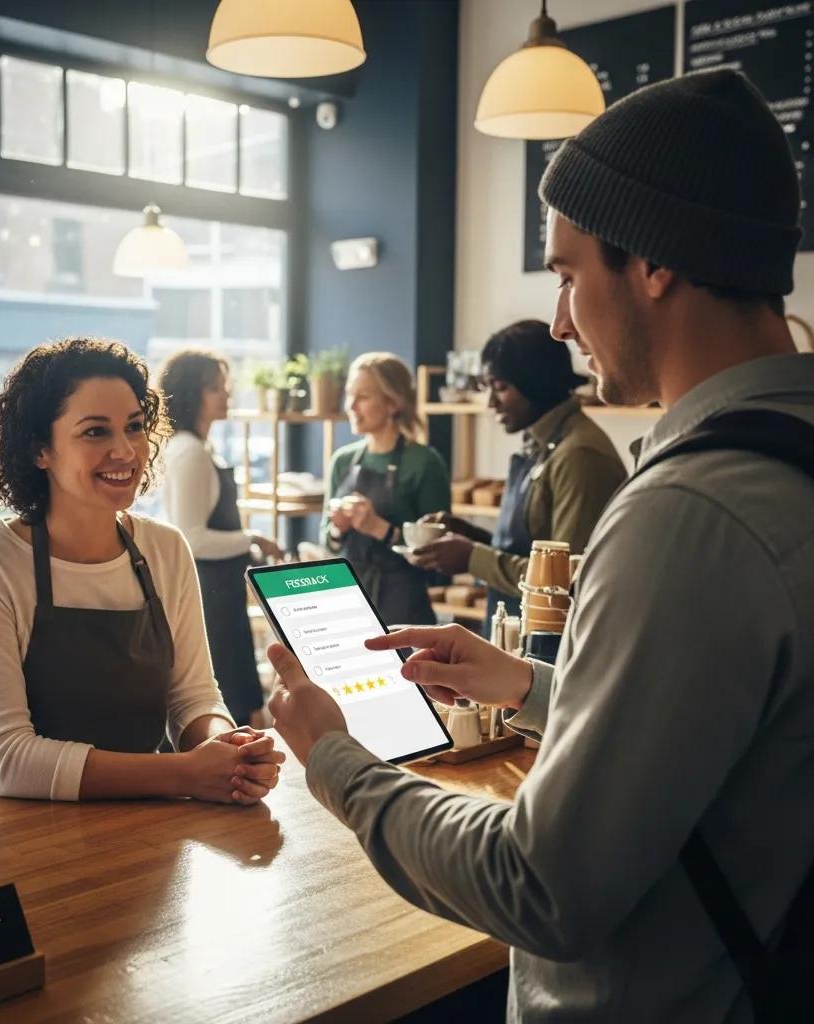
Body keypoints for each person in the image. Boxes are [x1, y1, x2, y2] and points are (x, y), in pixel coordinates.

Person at [267, 69, 814, 1022]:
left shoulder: (687, 512)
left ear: (652, 261)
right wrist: (528, 686)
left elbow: (540, 887)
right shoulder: (788, 462)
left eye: (566, 275)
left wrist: (339, 762)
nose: (562, 322)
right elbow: (731, 732)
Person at [0, 337, 284, 806]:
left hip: (139, 831)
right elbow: (6, 760)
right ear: (40, 449)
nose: (125, 450)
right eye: (95, 432)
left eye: (134, 426)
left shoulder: (164, 549)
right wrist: (184, 773)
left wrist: (225, 749)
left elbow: (193, 698)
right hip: (7, 839)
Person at [410, 320, 626, 630]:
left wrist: (472, 557)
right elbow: (530, 549)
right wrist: (471, 536)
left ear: (535, 381)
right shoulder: (542, 443)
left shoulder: (579, 456)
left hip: (552, 647)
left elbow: (562, 580)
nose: (491, 403)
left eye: (500, 388)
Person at [158, 349, 283, 728]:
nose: (226, 396)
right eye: (215, 388)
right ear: (191, 393)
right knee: (225, 704)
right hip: (208, 596)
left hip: (221, 594)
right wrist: (253, 539)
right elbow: (191, 538)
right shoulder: (190, 453)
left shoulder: (198, 448)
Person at [321, 353, 451, 626]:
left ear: (393, 402)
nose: (351, 406)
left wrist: (381, 529)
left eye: (363, 397)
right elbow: (327, 544)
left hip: (404, 612)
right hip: (348, 607)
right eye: (349, 395)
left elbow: (441, 564)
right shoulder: (342, 461)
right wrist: (337, 529)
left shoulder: (425, 463)